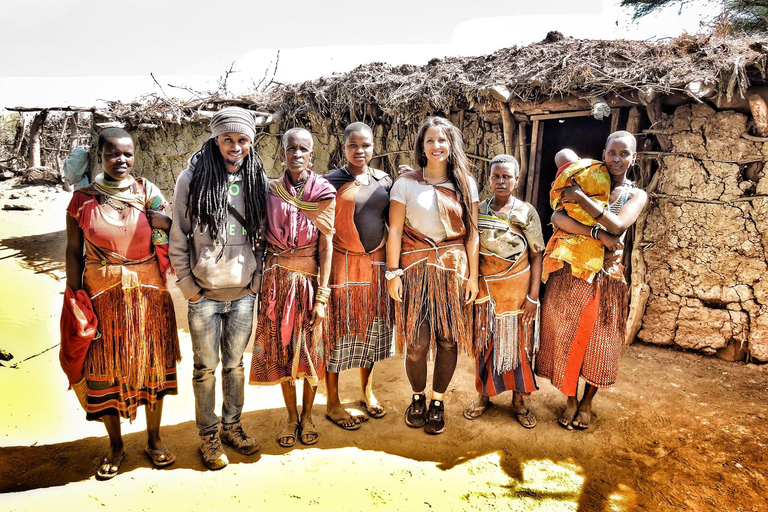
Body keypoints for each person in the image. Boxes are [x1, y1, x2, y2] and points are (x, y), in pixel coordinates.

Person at [65, 127, 181, 480]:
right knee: (104, 371)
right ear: (99, 155)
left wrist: (168, 223)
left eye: (128, 154)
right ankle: (116, 445)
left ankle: (154, 440)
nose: (122, 160)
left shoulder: (148, 193)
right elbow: (73, 251)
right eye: (113, 153)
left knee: (153, 368)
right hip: (101, 299)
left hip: (149, 297)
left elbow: (171, 236)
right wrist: (75, 298)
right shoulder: (82, 200)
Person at [169, 107, 268, 470]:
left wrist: (255, 283)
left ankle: (232, 427)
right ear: (215, 138)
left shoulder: (257, 178)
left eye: (243, 140)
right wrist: (188, 287)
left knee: (235, 366)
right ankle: (209, 436)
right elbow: (178, 236)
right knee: (205, 369)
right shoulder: (191, 178)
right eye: (229, 139)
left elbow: (263, 236)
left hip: (243, 294)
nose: (236, 146)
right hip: (204, 297)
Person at [536, 131, 648, 430]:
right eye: (612, 152)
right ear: (604, 153)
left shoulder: (635, 195)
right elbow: (558, 218)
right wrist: (597, 234)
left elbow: (618, 223)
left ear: (633, 157)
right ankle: (571, 399)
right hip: (571, 273)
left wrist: (580, 199)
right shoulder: (585, 178)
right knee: (565, 335)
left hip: (606, 278)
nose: (617, 158)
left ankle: (587, 402)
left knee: (601, 342)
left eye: (624, 153)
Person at [387, 116, 479, 435]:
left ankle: (437, 401)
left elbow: (472, 234)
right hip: (414, 270)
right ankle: (417, 398)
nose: (436, 146)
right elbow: (396, 230)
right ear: (421, 146)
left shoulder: (465, 184)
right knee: (416, 341)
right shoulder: (406, 184)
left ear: (451, 145)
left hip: (452, 269)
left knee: (448, 339)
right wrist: (393, 273)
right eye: (430, 140)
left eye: (442, 140)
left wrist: (473, 278)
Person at [249, 128, 336, 447]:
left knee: (311, 351)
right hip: (276, 284)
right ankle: (290, 417)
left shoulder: (324, 191)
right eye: (291, 148)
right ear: (282, 153)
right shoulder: (270, 190)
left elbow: (326, 247)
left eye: (303, 149)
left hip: (310, 283)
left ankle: (309, 415)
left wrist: (323, 297)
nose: (297, 154)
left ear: (311, 154)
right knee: (282, 351)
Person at [462, 154, 544, 429]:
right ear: (489, 179)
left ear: (516, 180)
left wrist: (533, 297)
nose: (501, 181)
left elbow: (536, 255)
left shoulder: (526, 211)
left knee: (519, 346)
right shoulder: (480, 209)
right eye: (496, 176)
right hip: (486, 292)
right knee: (485, 343)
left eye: (506, 176)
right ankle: (484, 396)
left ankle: (520, 401)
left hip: (517, 292)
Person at [324, 122, 394, 430]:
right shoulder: (329, 182)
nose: (360, 150)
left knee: (372, 330)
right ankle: (332, 401)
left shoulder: (384, 181)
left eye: (365, 145)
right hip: (342, 265)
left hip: (376, 266)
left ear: (373, 147)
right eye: (353, 145)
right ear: (344, 148)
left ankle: (367, 391)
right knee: (338, 332)